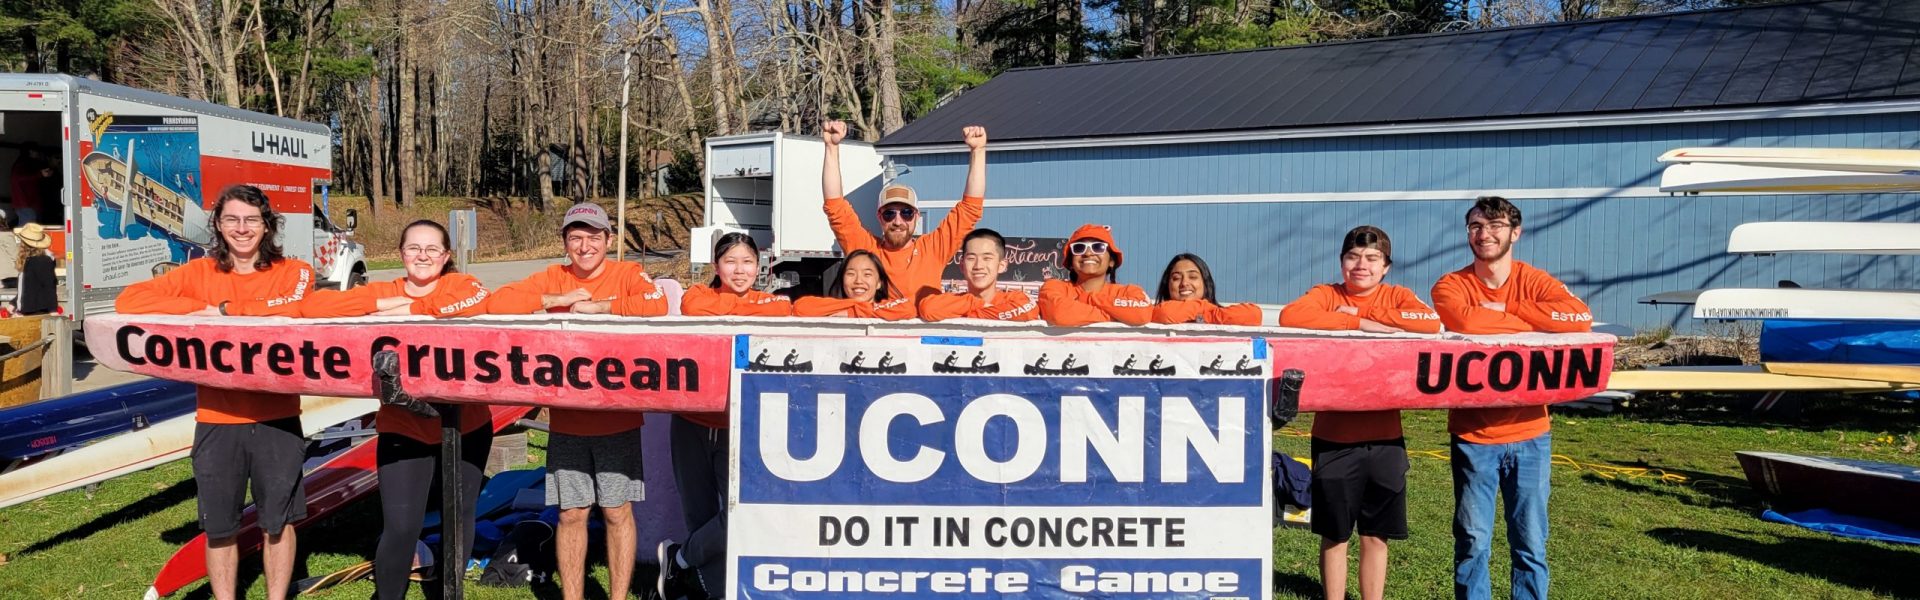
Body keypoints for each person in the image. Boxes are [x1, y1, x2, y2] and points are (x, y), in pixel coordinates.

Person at [115, 184, 315, 600]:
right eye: (232, 220)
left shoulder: (294, 270)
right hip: (216, 421)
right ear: (219, 226)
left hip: (277, 419)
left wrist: (222, 311)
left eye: (251, 220)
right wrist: (194, 308)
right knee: (220, 527)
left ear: (267, 224)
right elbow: (130, 300)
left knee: (278, 522)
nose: (242, 229)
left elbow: (291, 307)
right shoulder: (198, 273)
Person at [299, 220, 494, 599]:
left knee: (459, 518)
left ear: (447, 255)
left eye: (432, 249)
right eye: (414, 248)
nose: (423, 256)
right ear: (401, 253)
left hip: (465, 424)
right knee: (402, 526)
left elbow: (477, 298)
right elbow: (314, 305)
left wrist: (417, 306)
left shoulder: (460, 284)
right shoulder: (383, 290)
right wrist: (389, 304)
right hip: (404, 425)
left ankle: (448, 595)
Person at [486, 202, 667, 600]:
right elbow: (496, 303)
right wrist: (557, 299)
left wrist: (601, 306)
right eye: (575, 237)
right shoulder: (553, 276)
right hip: (566, 421)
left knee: (618, 512)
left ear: (608, 240)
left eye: (593, 237)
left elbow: (657, 304)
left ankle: (618, 597)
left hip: (617, 419)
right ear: (566, 242)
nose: (584, 246)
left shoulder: (628, 274)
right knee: (571, 513)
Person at [1431, 197, 1592, 600]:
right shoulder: (1451, 284)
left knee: (1532, 545)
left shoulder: (1535, 281)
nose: (1484, 234)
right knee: (1473, 543)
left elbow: (1578, 317)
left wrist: (1507, 308)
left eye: (1495, 225)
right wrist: (1536, 319)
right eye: (1475, 226)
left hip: (1531, 435)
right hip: (1474, 435)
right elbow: (1465, 319)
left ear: (1515, 232)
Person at [1278, 225, 1441, 600]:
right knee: (1334, 533)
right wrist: (1359, 321)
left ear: (1385, 266)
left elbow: (1428, 322)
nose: (1361, 265)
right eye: (1353, 257)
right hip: (1334, 439)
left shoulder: (1396, 295)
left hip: (1386, 439)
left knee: (1375, 534)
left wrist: (1381, 315)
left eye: (1371, 259)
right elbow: (1292, 315)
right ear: (1342, 262)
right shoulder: (1326, 294)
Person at [656, 232, 789, 600]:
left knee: (741, 513)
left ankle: (679, 559)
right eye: (731, 262)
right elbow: (695, 310)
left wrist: (740, 310)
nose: (740, 270)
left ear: (759, 266)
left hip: (740, 424)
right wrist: (746, 312)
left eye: (748, 262)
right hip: (692, 423)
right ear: (716, 266)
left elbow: (781, 310)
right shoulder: (699, 295)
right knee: (698, 516)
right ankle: (708, 590)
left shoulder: (771, 301)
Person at [821, 121, 987, 302]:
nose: (898, 221)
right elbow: (835, 207)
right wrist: (831, 147)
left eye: (906, 213)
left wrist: (978, 151)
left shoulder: (932, 249)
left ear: (916, 216)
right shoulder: (866, 250)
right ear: (879, 217)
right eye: (889, 213)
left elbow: (970, 208)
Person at [1038, 224, 1151, 326]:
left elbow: (1142, 313)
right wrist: (1115, 317)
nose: (1088, 253)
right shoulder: (1054, 287)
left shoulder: (1129, 292)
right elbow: (1059, 314)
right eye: (1079, 248)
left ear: (1111, 261)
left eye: (1098, 247)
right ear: (1071, 262)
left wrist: (1089, 299)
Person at [917, 228, 1038, 322]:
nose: (978, 265)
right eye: (971, 258)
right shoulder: (955, 300)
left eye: (987, 258)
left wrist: (974, 315)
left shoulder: (1016, 299)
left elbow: (1028, 310)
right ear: (962, 266)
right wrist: (975, 303)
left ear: (1002, 265)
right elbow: (928, 308)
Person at [793, 249, 917, 320]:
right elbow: (801, 307)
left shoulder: (889, 307)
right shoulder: (836, 306)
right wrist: (850, 306)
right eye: (851, 274)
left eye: (867, 274)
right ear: (842, 279)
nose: (858, 281)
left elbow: (908, 308)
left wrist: (853, 312)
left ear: (879, 283)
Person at [1151, 253, 1261, 325]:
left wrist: (1206, 316)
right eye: (1176, 278)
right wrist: (1202, 306)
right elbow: (1165, 313)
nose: (1184, 283)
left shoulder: (1216, 313)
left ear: (1205, 283)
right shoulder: (1152, 314)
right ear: (1167, 285)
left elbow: (1254, 314)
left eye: (1193, 277)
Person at [12, 222, 56, 315]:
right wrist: (13, 303)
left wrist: (53, 311)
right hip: (27, 311)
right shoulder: (29, 260)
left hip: (36, 311)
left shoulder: (43, 261)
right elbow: (27, 288)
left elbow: (49, 287)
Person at [8, 143, 49, 227]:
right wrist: (40, 174)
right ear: (30, 151)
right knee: (27, 228)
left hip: (28, 203)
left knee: (31, 227)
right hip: (25, 203)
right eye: (36, 151)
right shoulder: (23, 164)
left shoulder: (27, 163)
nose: (38, 153)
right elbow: (20, 178)